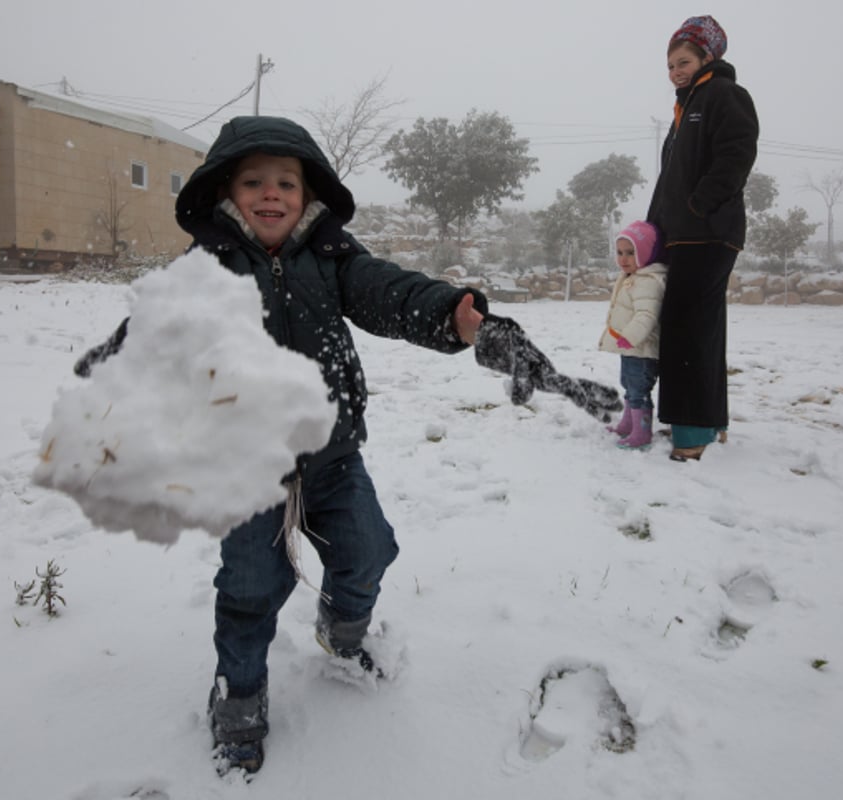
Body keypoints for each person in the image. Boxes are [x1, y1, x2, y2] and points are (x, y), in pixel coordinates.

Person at [73, 115, 620, 778]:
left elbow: (392, 292)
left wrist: (461, 317)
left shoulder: (333, 260)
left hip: (331, 459)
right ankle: (238, 697)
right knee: (249, 590)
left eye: (286, 182)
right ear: (225, 191)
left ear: (310, 195)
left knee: (369, 550)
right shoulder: (205, 269)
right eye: (254, 181)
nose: (271, 194)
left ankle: (343, 629)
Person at [645, 15, 759, 461]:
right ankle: (710, 421)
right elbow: (668, 181)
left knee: (684, 326)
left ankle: (690, 436)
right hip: (683, 235)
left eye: (684, 61)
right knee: (702, 326)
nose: (676, 70)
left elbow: (737, 153)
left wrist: (699, 205)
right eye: (670, 64)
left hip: (708, 233)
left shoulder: (723, 95)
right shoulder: (684, 110)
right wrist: (653, 228)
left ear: (708, 57)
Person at [598, 220, 667, 450]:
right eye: (619, 253)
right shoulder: (631, 278)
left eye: (630, 253)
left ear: (645, 253)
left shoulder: (648, 282)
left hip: (642, 348)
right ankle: (628, 424)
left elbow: (646, 315)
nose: (623, 258)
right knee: (629, 385)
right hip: (630, 347)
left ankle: (642, 431)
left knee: (638, 389)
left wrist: (630, 336)